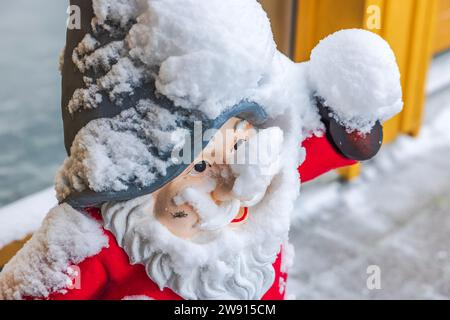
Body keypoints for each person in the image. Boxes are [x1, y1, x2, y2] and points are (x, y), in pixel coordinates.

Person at [0, 0, 402, 300]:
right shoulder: (93, 243)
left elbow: (338, 140)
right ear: (137, 183)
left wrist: (351, 111)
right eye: (199, 166)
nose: (233, 188)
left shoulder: (262, 184)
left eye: (242, 144)